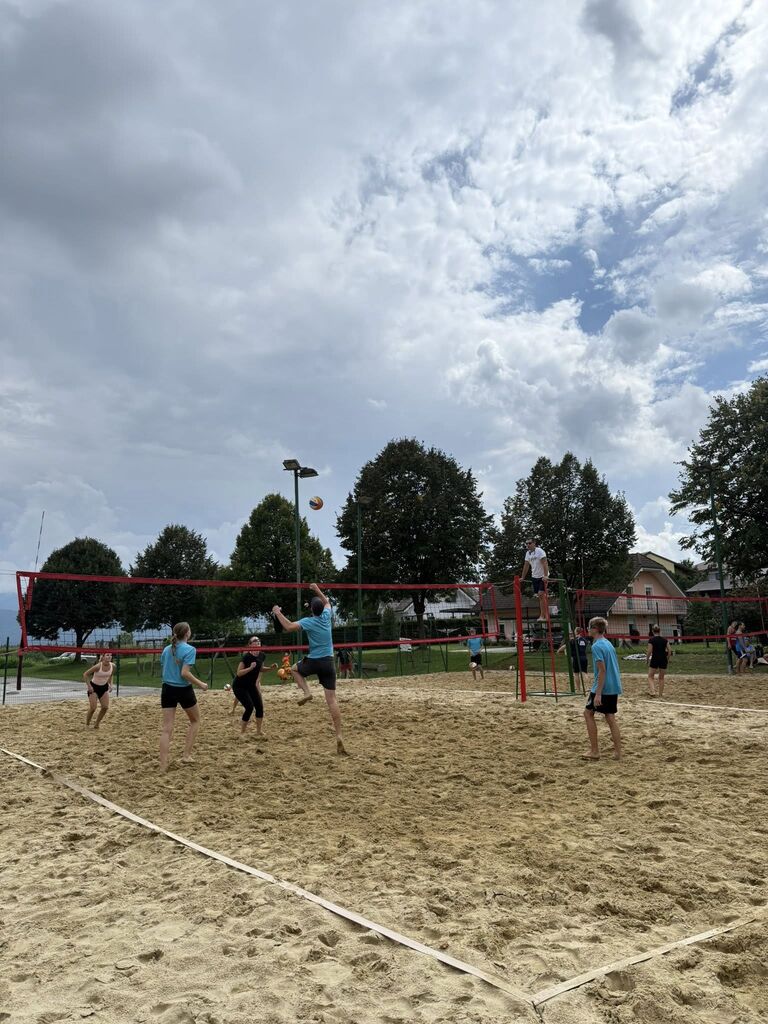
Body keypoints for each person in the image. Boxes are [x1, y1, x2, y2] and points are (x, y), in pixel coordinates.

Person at [272, 583, 348, 755]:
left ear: (312, 610)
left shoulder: (309, 621)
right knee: (332, 700)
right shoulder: (327, 616)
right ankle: (339, 735)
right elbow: (327, 602)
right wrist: (317, 589)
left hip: (314, 660)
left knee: (294, 669)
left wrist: (277, 613)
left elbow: (288, 626)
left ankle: (307, 692)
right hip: (328, 662)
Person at [159, 622, 209, 772]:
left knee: (167, 729)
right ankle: (186, 755)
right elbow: (184, 673)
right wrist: (201, 684)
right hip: (183, 690)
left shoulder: (167, 649)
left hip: (167, 689)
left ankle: (163, 765)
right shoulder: (190, 649)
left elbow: (165, 667)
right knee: (196, 720)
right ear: (187, 633)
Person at [582, 617, 622, 761]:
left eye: (589, 627)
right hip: (613, 685)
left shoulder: (597, 646)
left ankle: (594, 751)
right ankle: (618, 753)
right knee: (610, 717)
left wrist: (598, 693)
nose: (588, 629)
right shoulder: (608, 643)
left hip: (603, 687)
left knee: (588, 713)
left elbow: (602, 670)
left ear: (595, 629)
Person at [232, 637, 277, 739]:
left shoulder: (262, 655)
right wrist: (250, 668)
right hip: (239, 686)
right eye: (255, 641)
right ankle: (242, 732)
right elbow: (239, 673)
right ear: (250, 645)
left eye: (258, 641)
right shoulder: (246, 657)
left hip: (251, 685)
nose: (257, 642)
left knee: (259, 707)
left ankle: (259, 731)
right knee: (249, 707)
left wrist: (270, 668)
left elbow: (260, 668)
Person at [520, 538, 550, 621]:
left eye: (529, 543)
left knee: (541, 594)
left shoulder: (539, 551)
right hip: (534, 576)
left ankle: (543, 616)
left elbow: (545, 563)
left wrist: (546, 576)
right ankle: (545, 615)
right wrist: (523, 577)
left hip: (542, 576)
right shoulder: (528, 553)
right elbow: (526, 565)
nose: (528, 545)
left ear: (534, 543)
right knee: (540, 596)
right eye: (526, 543)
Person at [82, 652, 113, 729]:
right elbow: (85, 674)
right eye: (107, 655)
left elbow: (111, 675)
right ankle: (87, 724)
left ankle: (97, 724)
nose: (109, 656)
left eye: (111, 655)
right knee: (93, 708)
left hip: (104, 687)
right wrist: (89, 686)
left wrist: (110, 684)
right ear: (103, 657)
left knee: (105, 707)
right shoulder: (98, 666)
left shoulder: (113, 665)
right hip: (94, 688)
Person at [646, 625, 671, 697]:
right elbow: (669, 651)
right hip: (663, 659)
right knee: (661, 678)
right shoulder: (665, 640)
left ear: (652, 631)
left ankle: (653, 692)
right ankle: (660, 694)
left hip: (655, 658)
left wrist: (647, 659)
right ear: (660, 631)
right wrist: (667, 659)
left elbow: (649, 651)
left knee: (650, 676)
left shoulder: (651, 640)